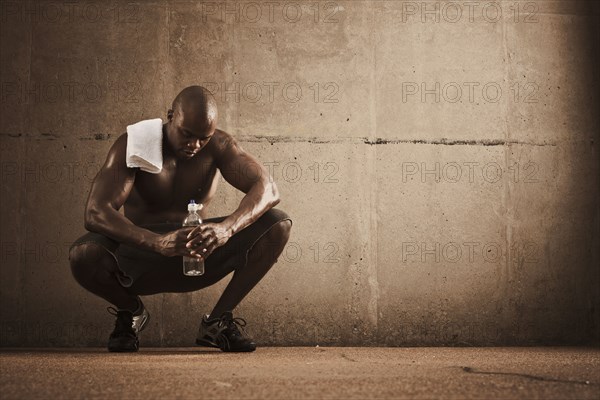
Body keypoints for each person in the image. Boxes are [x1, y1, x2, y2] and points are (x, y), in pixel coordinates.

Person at [68, 86, 292, 353]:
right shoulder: (133, 144)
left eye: (203, 138)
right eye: (187, 134)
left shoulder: (220, 145)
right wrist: (156, 242)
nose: (194, 145)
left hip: (197, 257)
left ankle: (218, 322)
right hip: (141, 258)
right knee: (83, 254)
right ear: (171, 116)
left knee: (277, 224)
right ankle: (131, 313)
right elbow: (95, 211)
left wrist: (225, 229)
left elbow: (268, 187)